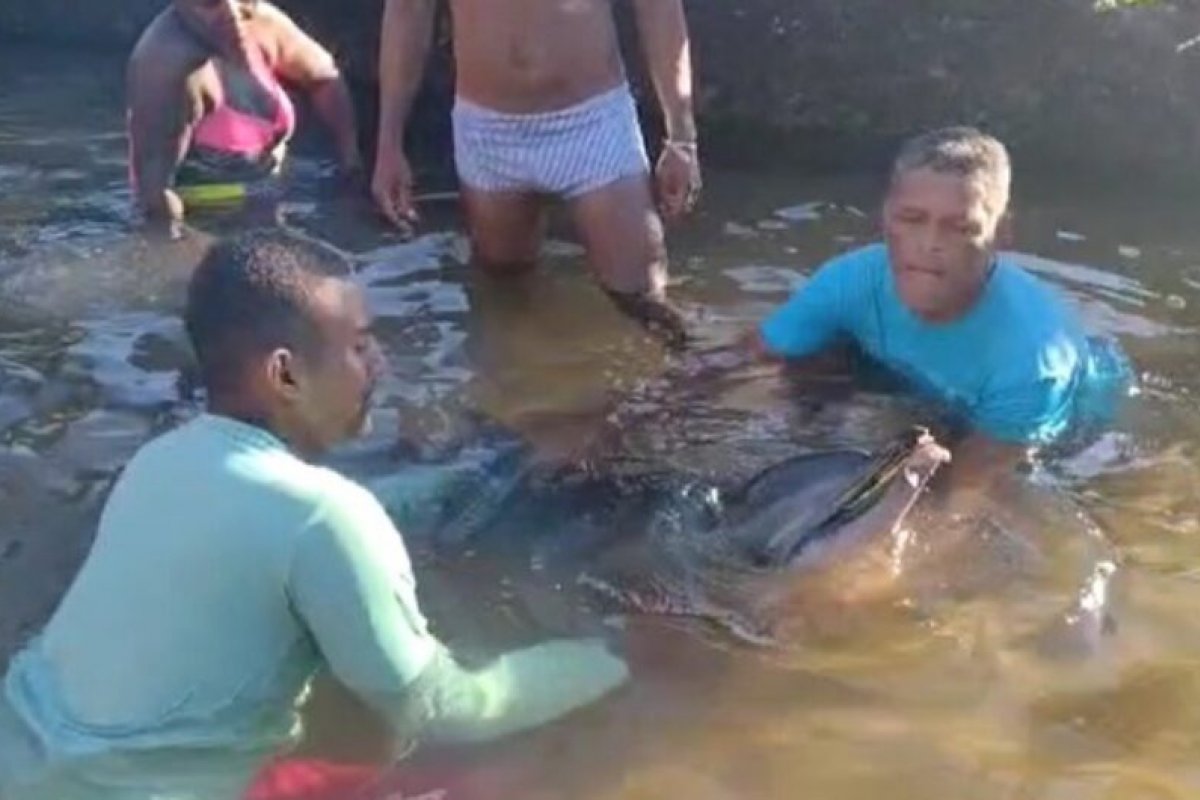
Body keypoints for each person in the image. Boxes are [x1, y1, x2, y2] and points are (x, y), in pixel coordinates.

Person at [0, 230, 628, 800]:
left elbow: (291, 528)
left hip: (21, 759)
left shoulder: (162, 460)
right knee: (499, 779)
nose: (379, 364)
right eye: (358, 345)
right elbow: (441, 709)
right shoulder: (326, 516)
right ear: (285, 374)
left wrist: (474, 478)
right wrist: (616, 655)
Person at [676, 127, 1133, 502]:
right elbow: (735, 363)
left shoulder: (1032, 362)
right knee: (804, 363)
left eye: (960, 227)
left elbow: (964, 500)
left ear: (1001, 234)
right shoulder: (850, 280)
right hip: (911, 377)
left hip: (1043, 420)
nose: (930, 243)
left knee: (964, 497)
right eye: (912, 219)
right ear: (885, 217)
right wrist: (619, 423)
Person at [371, 0, 702, 349]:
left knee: (645, 302)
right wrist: (389, 143)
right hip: (488, 130)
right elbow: (408, 10)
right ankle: (529, 395)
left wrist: (681, 138)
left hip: (591, 122)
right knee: (504, 291)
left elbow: (658, 8)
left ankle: (699, 388)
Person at [127, 0, 363, 229]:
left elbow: (323, 78)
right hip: (207, 221)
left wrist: (350, 164)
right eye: (210, 3)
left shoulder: (264, 23)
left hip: (274, 196)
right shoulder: (167, 67)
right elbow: (154, 197)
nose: (233, 13)